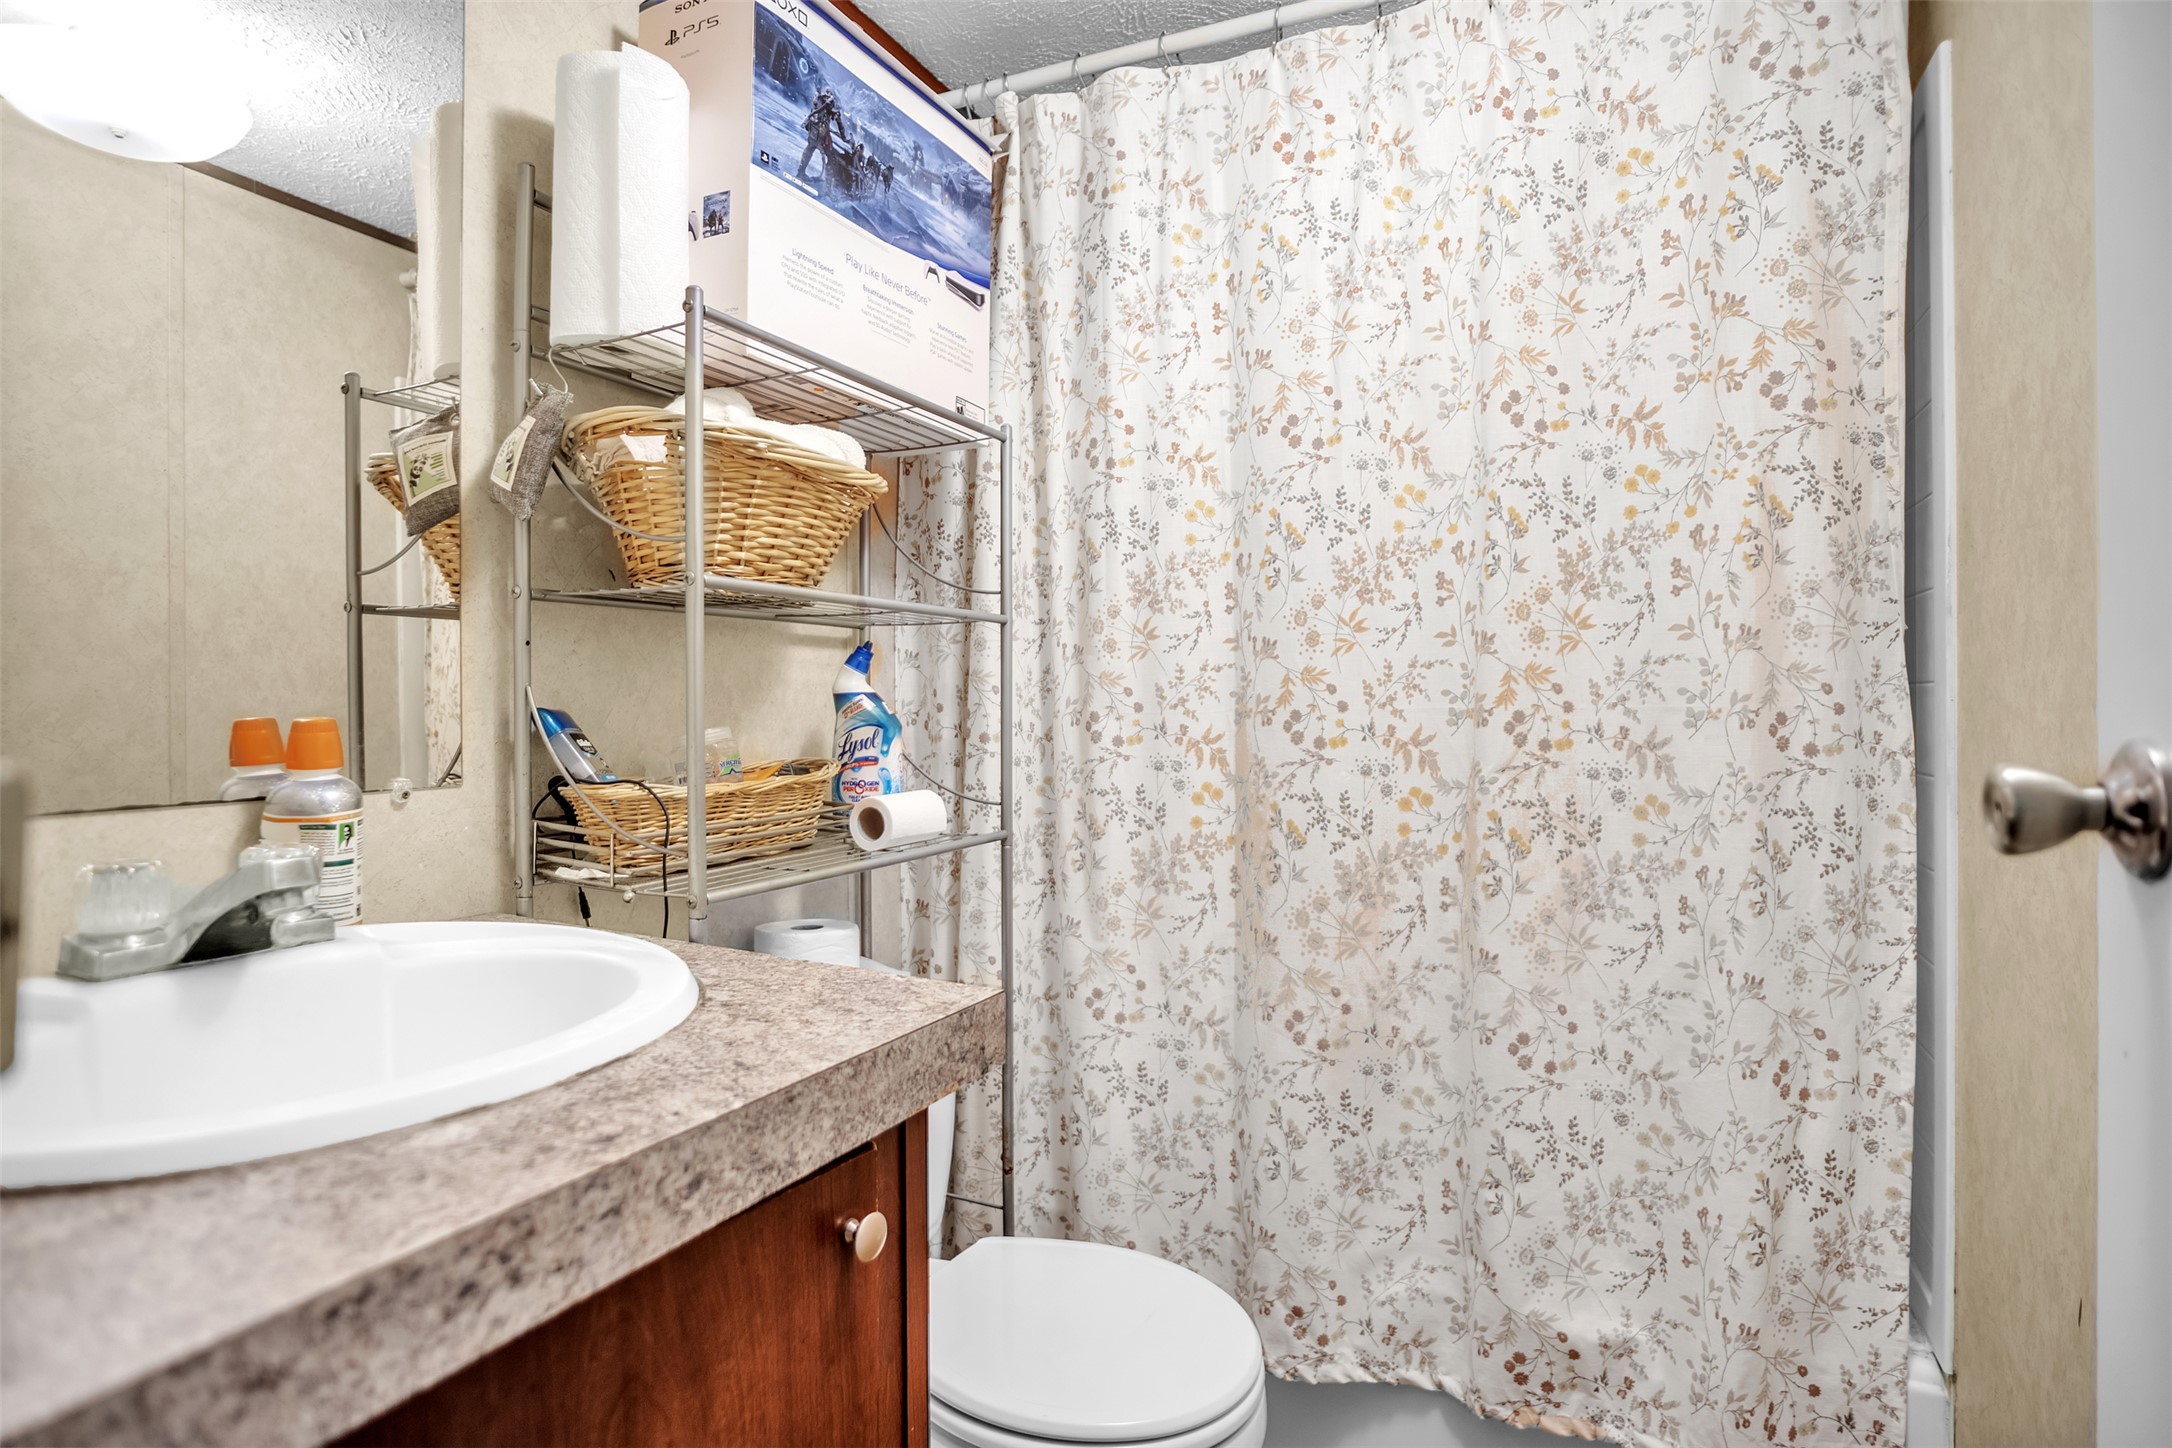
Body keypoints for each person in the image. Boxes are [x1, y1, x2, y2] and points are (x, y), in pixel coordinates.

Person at [797, 88, 843, 182]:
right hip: (818, 133)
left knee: (810, 149)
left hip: (815, 131)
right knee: (829, 155)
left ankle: (801, 172)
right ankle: (827, 181)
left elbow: (829, 112)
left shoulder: (820, 102)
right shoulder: (823, 102)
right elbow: (825, 109)